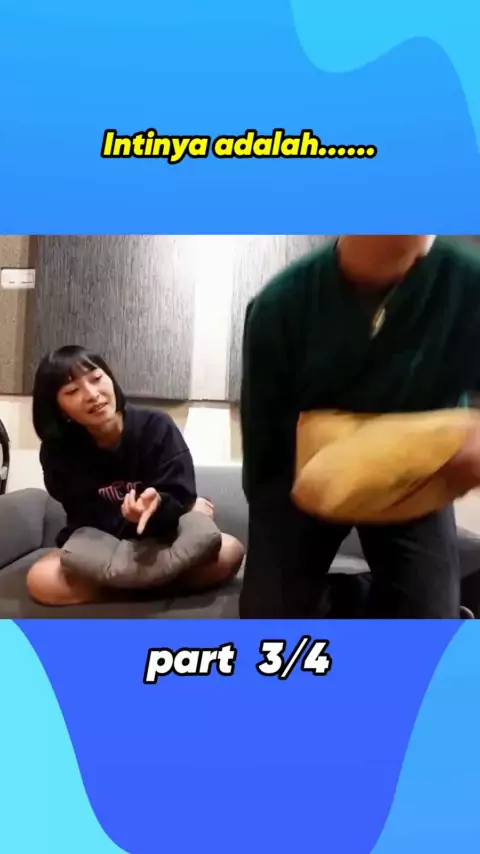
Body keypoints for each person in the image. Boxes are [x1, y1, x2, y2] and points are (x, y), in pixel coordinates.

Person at [239, 235, 480, 619]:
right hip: (302, 478)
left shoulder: (468, 286)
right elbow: (263, 464)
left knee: (429, 623)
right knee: (268, 616)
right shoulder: (279, 306)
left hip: (416, 478)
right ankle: (348, 598)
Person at [27, 345, 244, 606]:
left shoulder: (156, 425)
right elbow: (84, 516)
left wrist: (157, 507)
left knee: (230, 550)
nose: (92, 394)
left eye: (96, 379)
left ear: (110, 377)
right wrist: (128, 518)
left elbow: (180, 495)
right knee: (40, 579)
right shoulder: (58, 451)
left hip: (161, 539)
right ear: (58, 407)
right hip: (103, 543)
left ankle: (121, 589)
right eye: (73, 391)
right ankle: (156, 585)